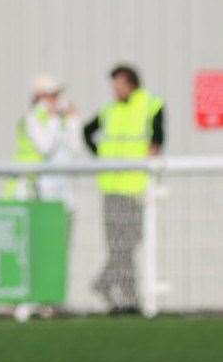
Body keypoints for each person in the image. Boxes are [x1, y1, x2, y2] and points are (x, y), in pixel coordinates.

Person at [83, 65, 164, 314]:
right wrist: (102, 158)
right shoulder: (109, 110)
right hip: (111, 187)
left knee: (130, 244)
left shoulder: (151, 104)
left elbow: (157, 140)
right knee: (117, 246)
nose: (115, 90)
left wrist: (150, 162)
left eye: (119, 84)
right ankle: (127, 299)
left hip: (136, 187)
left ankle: (109, 286)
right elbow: (87, 131)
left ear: (131, 83)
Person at [9, 74, 82, 204]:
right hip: (29, 184)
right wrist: (53, 118)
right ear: (39, 97)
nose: (56, 99)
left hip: (57, 185)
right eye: (51, 95)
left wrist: (73, 120)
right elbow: (46, 148)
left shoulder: (61, 119)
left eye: (57, 95)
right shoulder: (31, 118)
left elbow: (76, 148)